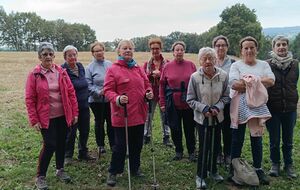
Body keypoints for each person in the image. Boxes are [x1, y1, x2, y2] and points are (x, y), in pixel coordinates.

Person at [25, 42, 78, 190]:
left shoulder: (61, 71)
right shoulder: (34, 75)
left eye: (50, 54)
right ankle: (40, 176)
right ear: (39, 57)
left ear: (54, 56)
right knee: (50, 145)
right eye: (44, 54)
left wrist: (74, 113)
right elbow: (30, 99)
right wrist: (34, 119)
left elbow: (71, 93)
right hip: (46, 117)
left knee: (62, 143)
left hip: (63, 115)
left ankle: (60, 169)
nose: (48, 57)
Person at [104, 40, 153, 186]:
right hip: (122, 114)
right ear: (119, 51)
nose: (128, 50)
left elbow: (147, 84)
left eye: (130, 48)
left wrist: (148, 93)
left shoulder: (138, 68)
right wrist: (117, 98)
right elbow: (107, 90)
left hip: (139, 113)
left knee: (137, 144)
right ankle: (114, 171)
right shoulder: (113, 69)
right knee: (120, 146)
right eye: (124, 48)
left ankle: (134, 168)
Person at [228, 36, 275, 186]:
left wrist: (249, 81)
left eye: (251, 47)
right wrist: (258, 82)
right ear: (241, 51)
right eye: (245, 48)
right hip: (239, 105)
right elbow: (234, 84)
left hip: (258, 105)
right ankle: (234, 169)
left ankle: (258, 169)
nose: (249, 50)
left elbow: (271, 81)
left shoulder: (263, 64)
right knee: (237, 138)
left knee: (257, 138)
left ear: (257, 49)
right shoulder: (236, 65)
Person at [187, 47, 230, 189]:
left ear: (215, 60)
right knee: (204, 146)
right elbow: (190, 99)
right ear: (200, 61)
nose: (207, 61)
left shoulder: (223, 75)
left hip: (218, 117)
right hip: (202, 119)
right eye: (204, 59)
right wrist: (203, 108)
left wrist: (218, 107)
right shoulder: (194, 77)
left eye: (210, 58)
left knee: (216, 145)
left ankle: (213, 170)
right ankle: (200, 175)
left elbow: (225, 96)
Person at [266, 35, 298, 178]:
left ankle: (289, 164)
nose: (281, 47)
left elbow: (294, 82)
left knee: (288, 140)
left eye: (284, 44)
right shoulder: (267, 64)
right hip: (273, 108)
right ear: (273, 47)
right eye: (278, 44)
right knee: (274, 139)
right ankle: (275, 164)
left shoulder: (295, 64)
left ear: (287, 46)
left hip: (290, 108)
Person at [159, 41, 197, 161]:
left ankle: (191, 151)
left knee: (190, 128)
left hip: (189, 102)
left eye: (181, 49)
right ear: (173, 52)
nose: (179, 52)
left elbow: (196, 83)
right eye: (177, 50)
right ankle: (178, 151)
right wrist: (162, 103)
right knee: (175, 128)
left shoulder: (191, 65)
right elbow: (162, 85)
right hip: (173, 102)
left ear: (184, 51)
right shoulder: (167, 67)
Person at [61, 45, 95, 164]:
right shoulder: (62, 70)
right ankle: (68, 155)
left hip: (84, 105)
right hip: (71, 107)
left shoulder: (80, 67)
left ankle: (83, 152)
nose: (73, 57)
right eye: (70, 55)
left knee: (85, 130)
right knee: (71, 132)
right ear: (65, 57)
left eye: (74, 54)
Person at [86, 41, 114, 156]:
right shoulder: (89, 68)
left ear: (104, 51)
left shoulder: (110, 64)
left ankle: (113, 144)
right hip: (97, 101)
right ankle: (101, 145)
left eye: (100, 50)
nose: (99, 53)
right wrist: (98, 92)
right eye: (96, 51)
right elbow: (88, 84)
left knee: (111, 122)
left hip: (110, 99)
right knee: (100, 122)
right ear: (92, 53)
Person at [143, 37, 172, 147]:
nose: (155, 50)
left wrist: (161, 75)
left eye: (157, 48)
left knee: (165, 115)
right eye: (152, 48)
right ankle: (146, 135)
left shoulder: (167, 63)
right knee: (148, 115)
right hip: (151, 93)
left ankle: (166, 136)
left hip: (163, 93)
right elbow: (143, 78)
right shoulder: (147, 64)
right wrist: (150, 75)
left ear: (160, 48)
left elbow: (170, 77)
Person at [212, 35, 235, 166]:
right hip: (213, 102)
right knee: (215, 128)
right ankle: (217, 154)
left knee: (228, 129)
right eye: (218, 45)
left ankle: (227, 154)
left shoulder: (233, 63)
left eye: (223, 45)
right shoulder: (210, 61)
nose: (220, 47)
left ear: (227, 47)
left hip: (229, 102)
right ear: (214, 47)